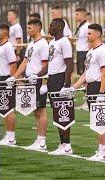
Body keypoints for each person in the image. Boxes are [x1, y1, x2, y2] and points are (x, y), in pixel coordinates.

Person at [68, 24, 105, 161]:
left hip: (99, 87)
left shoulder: (102, 51)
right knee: (95, 120)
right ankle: (100, 149)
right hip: (91, 86)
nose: (87, 36)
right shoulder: (90, 52)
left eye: (90, 33)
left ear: (98, 34)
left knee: (102, 119)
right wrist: (74, 87)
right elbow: (86, 73)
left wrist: (101, 92)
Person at [7, 19, 49, 151]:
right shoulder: (31, 44)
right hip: (29, 79)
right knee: (35, 110)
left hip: (37, 79)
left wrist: (43, 82)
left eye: (30, 28)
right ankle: (38, 139)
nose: (28, 30)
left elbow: (46, 65)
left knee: (41, 110)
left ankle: (42, 141)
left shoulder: (43, 44)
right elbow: (25, 62)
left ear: (37, 28)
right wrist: (15, 77)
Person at [46, 18, 74, 155]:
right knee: (56, 112)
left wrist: (66, 83)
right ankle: (62, 143)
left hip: (60, 78)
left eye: (52, 25)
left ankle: (67, 145)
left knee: (63, 112)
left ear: (59, 27)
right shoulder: (51, 42)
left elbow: (69, 63)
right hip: (52, 79)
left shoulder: (64, 42)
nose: (49, 27)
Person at [0, 24, 18, 146]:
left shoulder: (8, 46)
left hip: (7, 78)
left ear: (4, 32)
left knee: (8, 107)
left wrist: (12, 79)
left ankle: (11, 136)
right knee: (3, 107)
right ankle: (8, 133)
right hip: (1, 78)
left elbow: (13, 64)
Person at [74, 8, 90, 75]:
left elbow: (90, 39)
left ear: (83, 14)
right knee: (80, 73)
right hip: (79, 51)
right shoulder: (81, 26)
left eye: (77, 14)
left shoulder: (87, 26)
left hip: (85, 51)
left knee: (85, 72)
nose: (75, 16)